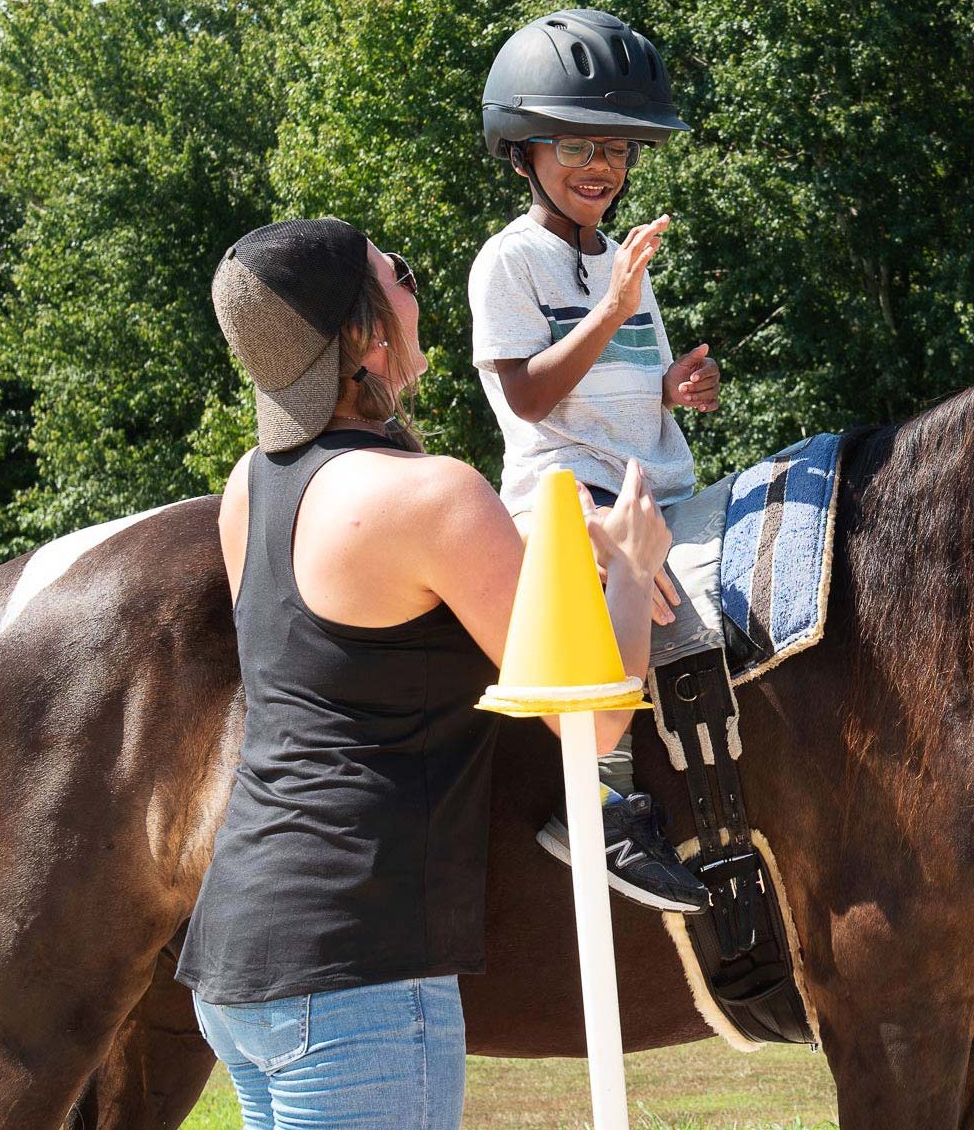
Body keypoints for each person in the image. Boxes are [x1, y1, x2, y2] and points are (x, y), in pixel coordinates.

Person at [176, 217, 671, 1128]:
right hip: (359, 968)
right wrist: (634, 568)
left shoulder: (252, 484)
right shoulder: (433, 493)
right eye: (396, 275)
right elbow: (594, 722)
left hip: (239, 956)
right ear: (364, 334)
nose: (414, 287)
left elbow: (360, 639)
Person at [471, 8, 719, 913]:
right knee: (619, 591)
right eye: (576, 144)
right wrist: (610, 313)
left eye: (615, 147)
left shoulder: (622, 261)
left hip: (652, 483)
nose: (600, 167)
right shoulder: (509, 261)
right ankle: (598, 806)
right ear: (524, 149)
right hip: (563, 497)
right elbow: (531, 399)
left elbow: (618, 387)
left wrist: (674, 389)